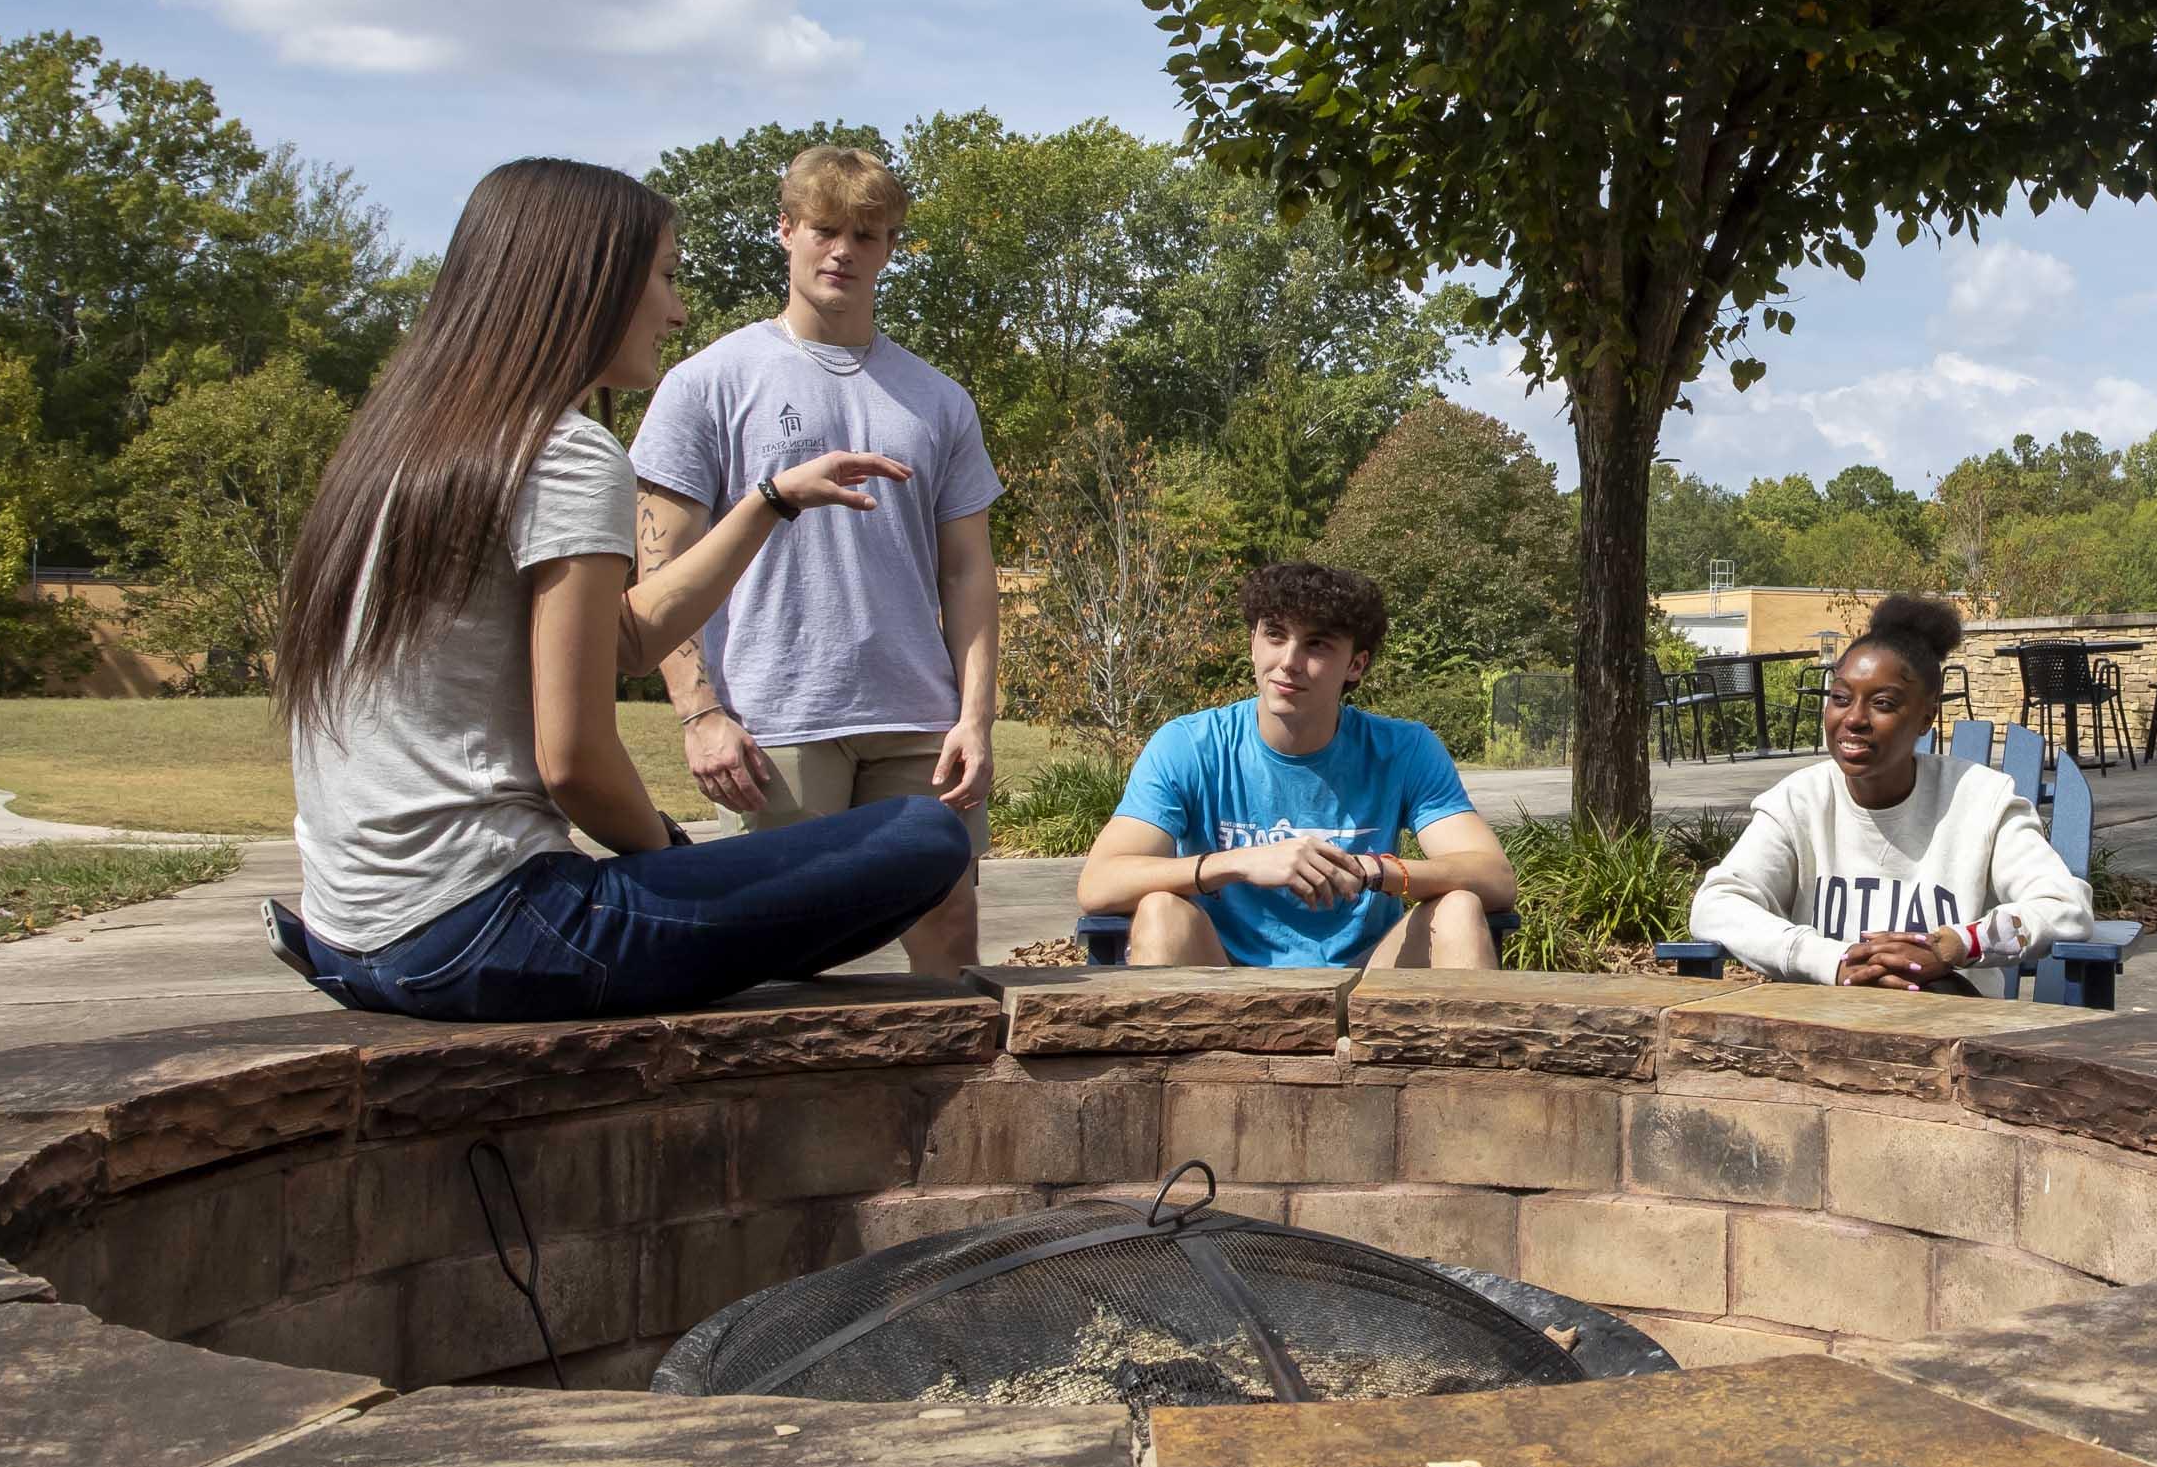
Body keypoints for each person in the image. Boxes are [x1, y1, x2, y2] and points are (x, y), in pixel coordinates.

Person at [271, 158, 975, 1022]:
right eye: (668, 277)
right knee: (923, 839)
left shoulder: (403, 443)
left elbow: (628, 639)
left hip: (353, 937)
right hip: (484, 927)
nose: (677, 310)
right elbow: (574, 763)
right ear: (590, 281)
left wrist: (770, 501)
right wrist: (664, 856)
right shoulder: (564, 454)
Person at [629, 146, 1001, 979]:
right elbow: (661, 563)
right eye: (825, 229)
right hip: (774, 720)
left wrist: (974, 718)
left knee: (947, 923)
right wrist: (699, 712)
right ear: (786, 230)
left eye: (868, 234)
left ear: (891, 246)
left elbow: (969, 573)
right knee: (777, 958)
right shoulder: (708, 382)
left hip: (918, 718)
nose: (844, 251)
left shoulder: (938, 398)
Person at [1077, 561, 1517, 968]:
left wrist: (1375, 871)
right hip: (1219, 981)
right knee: (1160, 911)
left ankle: (1459, 1053)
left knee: (1459, 909)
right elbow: (1099, 884)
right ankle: (1172, 1057)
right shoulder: (1190, 745)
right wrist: (1240, 863)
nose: (1288, 662)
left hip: (1367, 981)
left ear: (1356, 665)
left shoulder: (1406, 749)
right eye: (1275, 635)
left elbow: (1494, 878)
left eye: (1316, 645)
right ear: (1252, 644)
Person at [1686, 594, 2092, 992]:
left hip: (1954, 1026)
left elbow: (2065, 907)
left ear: (1925, 718)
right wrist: (1831, 959)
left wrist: (1959, 946)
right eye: (1840, 698)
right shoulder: (1800, 802)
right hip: (1821, 1029)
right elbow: (1717, 903)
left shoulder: (1982, 801)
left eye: (1882, 703)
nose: (1855, 719)